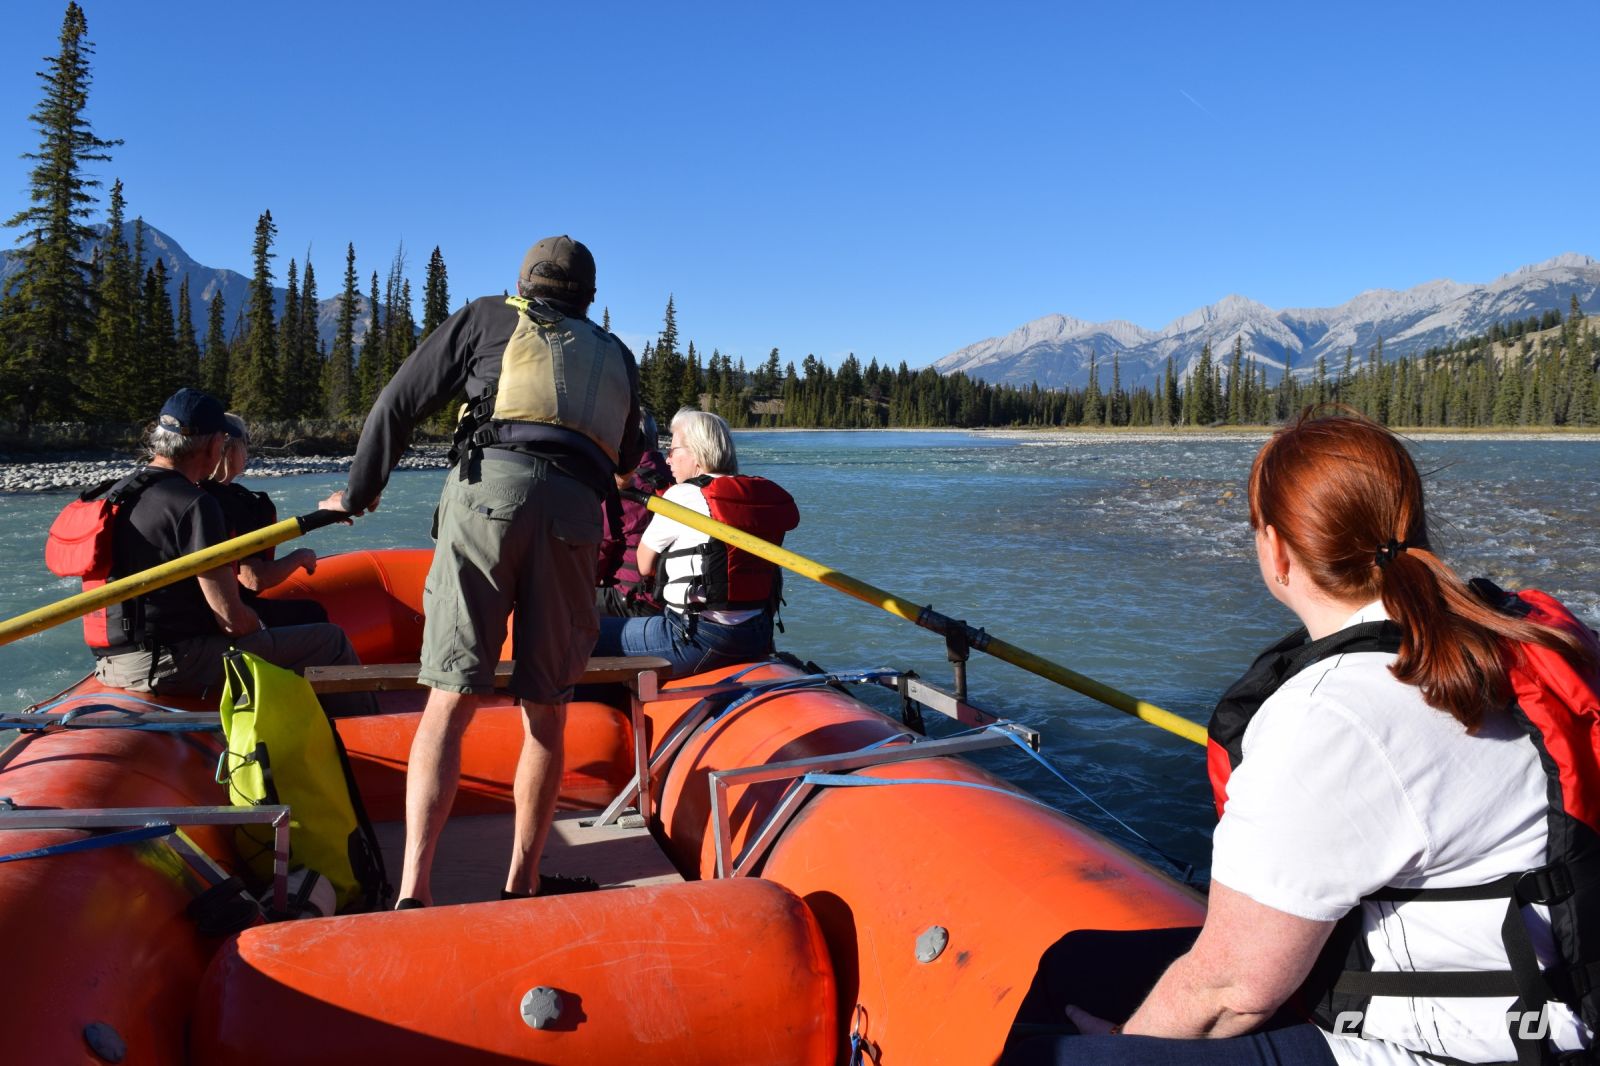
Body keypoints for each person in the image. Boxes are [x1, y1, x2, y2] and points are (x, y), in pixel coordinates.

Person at [1006, 409, 1598, 1066]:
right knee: (1072, 965)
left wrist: (1127, 1042)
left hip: (1468, 1047)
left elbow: (1233, 991)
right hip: (1545, 995)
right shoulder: (1499, 634)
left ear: (1278, 551)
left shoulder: (1331, 716)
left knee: (1052, 1058)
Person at [319, 235, 643, 909]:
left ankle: (414, 890)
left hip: (489, 500)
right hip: (576, 518)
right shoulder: (616, 356)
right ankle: (522, 882)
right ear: (588, 298)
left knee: (450, 697)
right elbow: (628, 454)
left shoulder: (488, 318)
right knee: (547, 711)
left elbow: (400, 402)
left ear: (524, 285)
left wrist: (358, 492)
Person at [89, 389, 367, 707]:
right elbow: (232, 619)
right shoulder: (193, 505)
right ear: (212, 444)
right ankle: (365, 742)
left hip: (109, 665)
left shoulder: (117, 492)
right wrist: (261, 625)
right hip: (172, 665)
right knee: (329, 641)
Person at [592, 408, 798, 677]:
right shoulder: (754, 495)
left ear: (697, 456)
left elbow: (644, 565)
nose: (668, 460)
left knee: (578, 635)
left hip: (695, 637)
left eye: (674, 449)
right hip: (757, 633)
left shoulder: (683, 496)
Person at [203, 412, 328, 628]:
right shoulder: (235, 504)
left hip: (191, 615)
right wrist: (300, 557)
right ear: (230, 449)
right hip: (223, 619)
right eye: (245, 443)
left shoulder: (193, 493)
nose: (247, 451)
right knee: (313, 613)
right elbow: (253, 579)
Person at [596, 408, 672, 618]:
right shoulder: (675, 478)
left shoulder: (622, 487)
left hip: (630, 600)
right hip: (668, 599)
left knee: (558, 600)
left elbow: (599, 552)